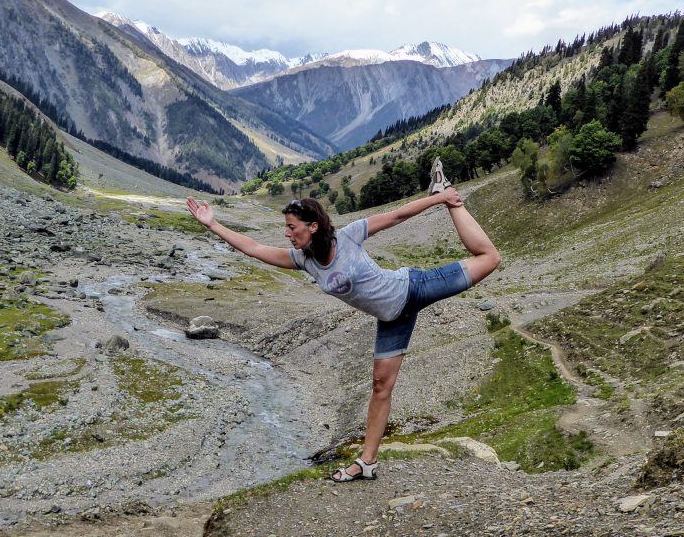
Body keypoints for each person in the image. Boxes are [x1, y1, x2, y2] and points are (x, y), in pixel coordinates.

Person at [186, 158, 500, 482]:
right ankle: (367, 463)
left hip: (415, 288)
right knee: (380, 387)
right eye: (287, 228)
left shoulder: (350, 236)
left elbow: (397, 215)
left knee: (490, 258)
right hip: (392, 319)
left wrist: (440, 198)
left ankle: (448, 194)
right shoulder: (303, 261)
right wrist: (212, 224)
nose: (287, 234)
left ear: (313, 226)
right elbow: (253, 247)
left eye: (292, 227)